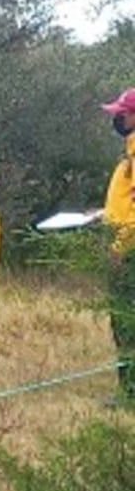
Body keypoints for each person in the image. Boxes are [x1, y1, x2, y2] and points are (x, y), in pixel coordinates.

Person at [101, 87, 135, 401]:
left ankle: (130, 391)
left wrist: (121, 247)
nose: (118, 118)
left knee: (126, 320)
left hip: (130, 251)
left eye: (122, 113)